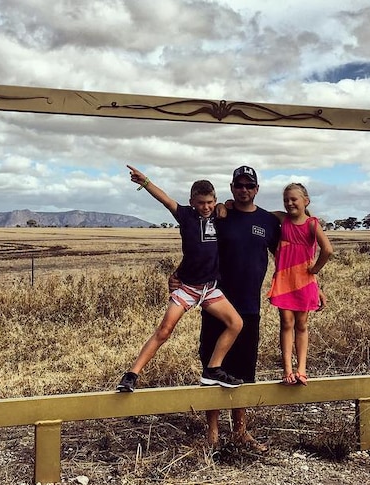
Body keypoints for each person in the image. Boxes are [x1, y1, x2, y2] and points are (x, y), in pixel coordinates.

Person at [116, 165, 244, 393]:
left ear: (214, 200)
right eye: (201, 202)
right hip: (187, 287)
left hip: (210, 289)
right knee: (164, 331)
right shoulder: (185, 216)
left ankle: (213, 369)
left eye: (210, 202)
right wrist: (145, 182)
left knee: (236, 323)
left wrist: (225, 205)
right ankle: (131, 375)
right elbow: (165, 199)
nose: (206, 207)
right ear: (192, 202)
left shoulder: (218, 214)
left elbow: (231, 206)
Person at [193, 165, 281, 451]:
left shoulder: (268, 221)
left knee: (243, 370)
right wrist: (181, 276)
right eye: (239, 185)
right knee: (213, 367)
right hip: (216, 302)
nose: (244, 190)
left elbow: (286, 255)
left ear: (256, 189)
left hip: (249, 306)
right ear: (232, 188)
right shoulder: (221, 216)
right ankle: (213, 434)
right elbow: (198, 248)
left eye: (249, 186)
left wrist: (310, 283)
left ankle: (241, 432)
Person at [267, 182, 333, 386]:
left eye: (294, 199)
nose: (289, 203)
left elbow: (327, 250)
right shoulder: (282, 219)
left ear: (306, 201)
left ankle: (301, 369)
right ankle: (287, 369)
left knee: (302, 325)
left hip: (304, 281)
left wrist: (314, 271)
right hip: (285, 279)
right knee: (286, 323)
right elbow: (256, 213)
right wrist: (230, 204)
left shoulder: (312, 224)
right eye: (286, 199)